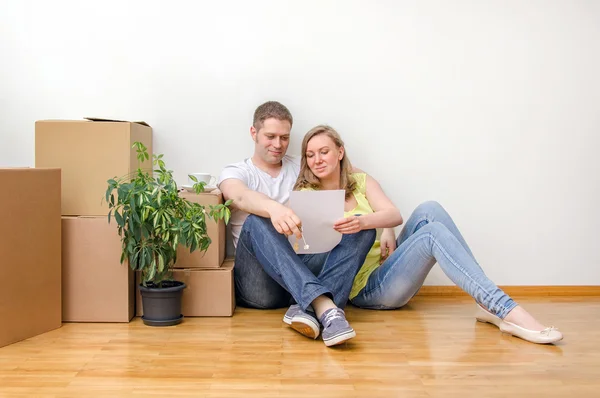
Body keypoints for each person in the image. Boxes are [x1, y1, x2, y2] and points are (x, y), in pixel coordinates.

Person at [293, 124, 563, 345]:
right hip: (366, 289)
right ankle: (506, 309)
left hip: (387, 265)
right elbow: (309, 249)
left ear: (340, 152)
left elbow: (394, 214)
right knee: (431, 234)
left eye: (324, 151)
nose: (317, 160)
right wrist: (371, 224)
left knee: (429, 209)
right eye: (310, 154)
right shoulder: (308, 195)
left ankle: (489, 304)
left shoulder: (360, 181)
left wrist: (382, 227)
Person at [217, 102, 375, 347]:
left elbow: (347, 171)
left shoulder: (302, 166)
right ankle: (324, 305)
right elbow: (236, 195)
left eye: (284, 137)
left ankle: (307, 309)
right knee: (257, 220)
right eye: (270, 136)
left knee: (360, 227)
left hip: (301, 268)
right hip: (261, 284)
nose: (278, 144)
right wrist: (273, 208)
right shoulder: (237, 171)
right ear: (253, 133)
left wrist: (387, 227)